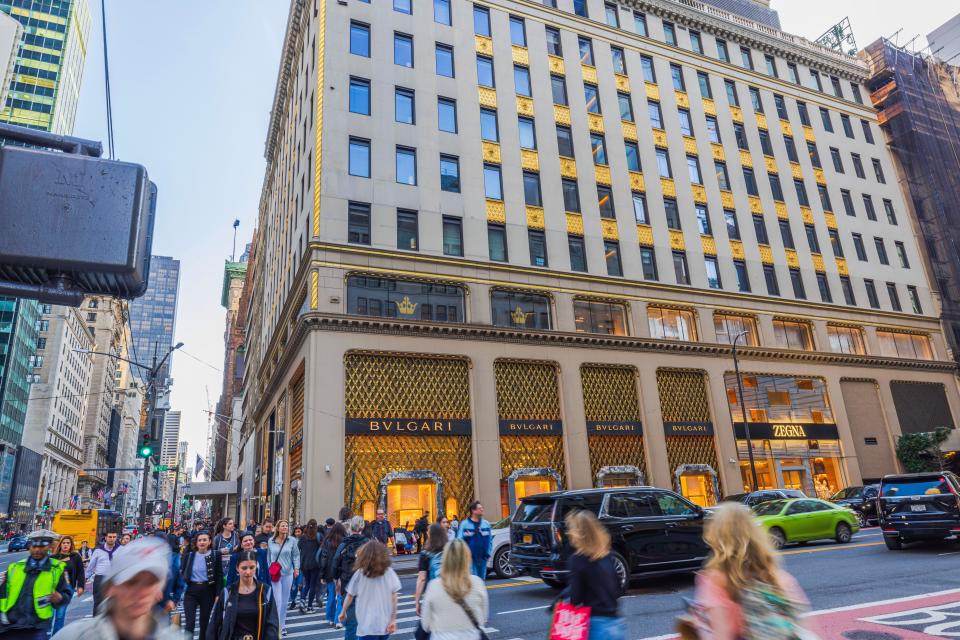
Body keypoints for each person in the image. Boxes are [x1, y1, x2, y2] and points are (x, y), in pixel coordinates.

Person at [687, 502, 815, 640]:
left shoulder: (716, 579)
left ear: (717, 534)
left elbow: (722, 635)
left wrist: (699, 627)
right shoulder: (776, 575)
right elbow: (802, 623)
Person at [51, 537, 181, 640]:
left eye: (151, 583)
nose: (142, 592)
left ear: (159, 592)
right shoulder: (73, 636)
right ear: (110, 588)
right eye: (131, 582)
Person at [564, 510, 626, 640]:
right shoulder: (607, 555)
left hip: (595, 625)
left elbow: (575, 599)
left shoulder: (577, 560)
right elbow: (618, 590)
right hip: (616, 624)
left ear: (577, 533)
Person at [0, 533, 71, 640]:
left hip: (37, 628)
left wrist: (60, 598)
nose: (37, 550)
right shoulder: (15, 567)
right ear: (29, 547)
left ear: (49, 546)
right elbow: (2, 595)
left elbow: (66, 594)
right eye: (34, 546)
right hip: (10, 626)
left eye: (41, 546)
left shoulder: (56, 569)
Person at [420, 539, 489, 640]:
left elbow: (425, 624)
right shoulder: (478, 583)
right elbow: (483, 618)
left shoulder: (434, 586)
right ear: (467, 558)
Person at [207, 551, 279, 640]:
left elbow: (272, 624)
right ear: (237, 568)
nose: (248, 572)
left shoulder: (266, 591)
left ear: (256, 567)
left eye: (252, 567)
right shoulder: (227, 592)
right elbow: (215, 623)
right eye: (244, 568)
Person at [338, 542, 399, 640]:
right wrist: (393, 619)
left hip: (367, 624)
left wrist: (343, 611)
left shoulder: (360, 573)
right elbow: (394, 597)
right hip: (384, 623)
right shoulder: (389, 572)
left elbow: (350, 595)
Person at [178, 530, 222, 640]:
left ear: (210, 541)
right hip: (191, 591)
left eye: (205, 540)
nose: (202, 542)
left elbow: (219, 576)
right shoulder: (189, 555)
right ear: (196, 542)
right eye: (200, 540)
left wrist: (218, 594)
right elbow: (182, 572)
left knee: (204, 622)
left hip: (208, 590)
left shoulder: (215, 555)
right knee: (190, 622)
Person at [332, 517, 367, 635]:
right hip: (366, 584)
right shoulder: (368, 543)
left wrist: (336, 578)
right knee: (365, 621)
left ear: (350, 527)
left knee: (351, 623)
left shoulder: (344, 544)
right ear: (362, 527)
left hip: (347, 583)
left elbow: (336, 562)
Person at [267, 520, 300, 636]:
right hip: (275, 574)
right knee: (277, 601)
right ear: (278, 528)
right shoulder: (271, 541)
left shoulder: (292, 540)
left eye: (286, 526)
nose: (285, 527)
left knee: (285, 602)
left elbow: (296, 555)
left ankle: (282, 626)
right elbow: (268, 557)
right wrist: (268, 570)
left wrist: (296, 568)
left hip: (288, 573)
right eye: (283, 526)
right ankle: (275, 625)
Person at [49, 537, 84, 636]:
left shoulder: (75, 557)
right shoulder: (53, 557)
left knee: (60, 615)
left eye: (68, 543)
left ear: (71, 544)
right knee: (49, 615)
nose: (66, 545)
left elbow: (80, 572)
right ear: (60, 544)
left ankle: (56, 636)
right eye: (64, 543)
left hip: (67, 589)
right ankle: (46, 636)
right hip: (53, 589)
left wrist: (80, 586)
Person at [414, 524, 448, 619]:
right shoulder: (449, 550)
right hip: (449, 592)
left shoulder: (425, 554)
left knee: (426, 629)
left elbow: (422, 579)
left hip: (432, 593)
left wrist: (417, 601)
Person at [84, 532, 119, 614]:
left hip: (115, 579)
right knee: (98, 603)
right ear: (106, 538)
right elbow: (91, 566)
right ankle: (96, 623)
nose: (112, 539)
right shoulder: (98, 551)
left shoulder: (120, 549)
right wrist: (85, 578)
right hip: (100, 579)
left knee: (115, 603)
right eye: (110, 537)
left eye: (114, 537)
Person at [319, 522, 345, 627]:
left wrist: (322, 575)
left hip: (329, 572)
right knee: (339, 596)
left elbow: (323, 559)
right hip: (341, 572)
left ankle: (330, 617)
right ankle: (338, 620)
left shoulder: (327, 541)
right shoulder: (345, 541)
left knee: (331, 596)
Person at [456, 503, 492, 579]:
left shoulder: (486, 524)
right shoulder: (464, 524)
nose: (482, 509)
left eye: (482, 507)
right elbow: (459, 541)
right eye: (480, 508)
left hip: (483, 558)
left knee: (482, 580)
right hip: (470, 559)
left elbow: (490, 540)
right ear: (473, 511)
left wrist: (488, 553)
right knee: (473, 580)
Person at [297, 520, 322, 614]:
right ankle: (310, 606)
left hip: (304, 564)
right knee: (313, 585)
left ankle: (302, 600)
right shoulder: (318, 536)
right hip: (315, 564)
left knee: (307, 583)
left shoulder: (303, 538)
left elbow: (298, 549)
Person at [288, 526, 303, 611]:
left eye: (299, 531)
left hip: (301, 565)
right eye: (296, 531)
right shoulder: (290, 540)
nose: (297, 533)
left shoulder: (304, 540)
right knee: (293, 584)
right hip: (292, 564)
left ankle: (301, 600)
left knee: (300, 584)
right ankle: (293, 601)